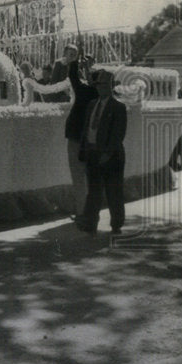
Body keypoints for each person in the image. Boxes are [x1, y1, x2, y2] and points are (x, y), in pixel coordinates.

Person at [77, 70, 127, 234]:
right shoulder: (92, 105)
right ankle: (90, 223)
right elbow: (86, 129)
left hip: (111, 156)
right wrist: (84, 151)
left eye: (104, 85)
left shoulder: (118, 107)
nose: (100, 88)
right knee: (93, 192)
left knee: (113, 191)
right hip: (93, 153)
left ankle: (116, 224)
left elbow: (118, 134)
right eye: (98, 85)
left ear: (111, 87)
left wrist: (107, 153)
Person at [64, 53, 99, 220]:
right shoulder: (100, 95)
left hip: (76, 136)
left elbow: (72, 76)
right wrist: (86, 67)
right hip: (92, 141)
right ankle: (90, 211)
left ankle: (82, 212)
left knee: (78, 176)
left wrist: (77, 61)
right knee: (89, 177)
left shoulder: (84, 91)